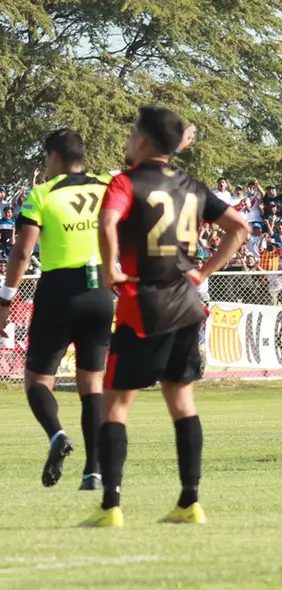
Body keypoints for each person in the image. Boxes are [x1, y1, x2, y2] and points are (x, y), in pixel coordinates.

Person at [81, 106, 249, 528]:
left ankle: (110, 508)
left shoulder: (126, 182)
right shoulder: (192, 186)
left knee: (116, 405)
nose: (128, 137)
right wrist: (204, 273)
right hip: (187, 305)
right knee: (183, 402)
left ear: (142, 141)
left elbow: (106, 222)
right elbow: (240, 227)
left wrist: (110, 268)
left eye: (132, 131)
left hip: (144, 304)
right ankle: (190, 502)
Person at [0, 129, 115, 491]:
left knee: (37, 380)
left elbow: (21, 253)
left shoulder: (41, 194)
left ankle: (57, 435)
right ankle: (93, 473)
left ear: (53, 157)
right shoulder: (106, 186)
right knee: (92, 385)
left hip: (58, 292)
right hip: (99, 292)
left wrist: (5, 300)